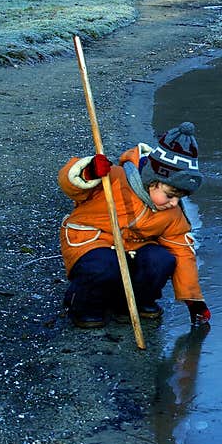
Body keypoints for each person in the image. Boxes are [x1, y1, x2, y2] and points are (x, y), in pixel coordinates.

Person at [58, 121, 211, 329]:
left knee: (162, 259)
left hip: (133, 249)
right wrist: (90, 172)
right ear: (153, 181)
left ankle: (132, 304)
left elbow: (183, 251)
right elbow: (70, 185)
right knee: (103, 265)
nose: (174, 203)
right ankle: (82, 305)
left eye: (180, 197)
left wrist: (193, 300)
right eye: (170, 195)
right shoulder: (114, 179)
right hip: (91, 240)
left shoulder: (172, 212)